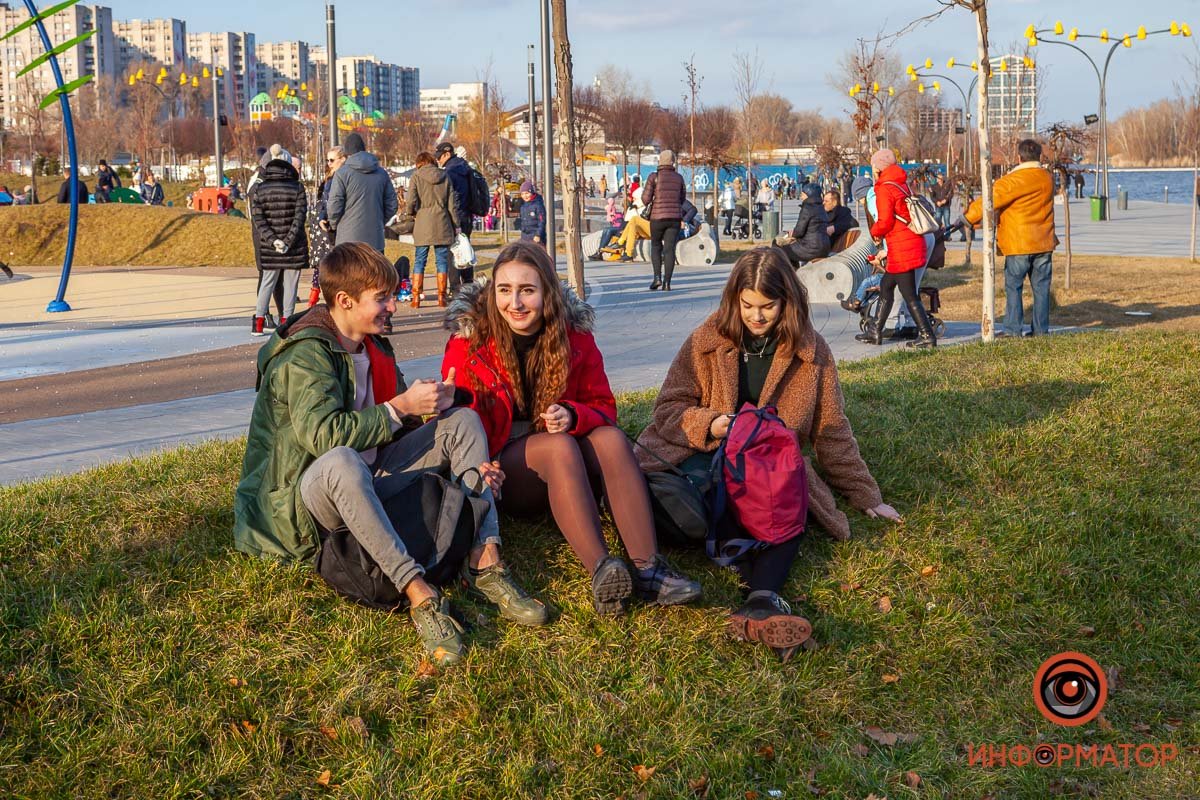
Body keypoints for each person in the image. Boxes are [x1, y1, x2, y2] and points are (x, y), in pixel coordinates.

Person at [234, 243, 543, 668]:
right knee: (343, 459)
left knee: (464, 422)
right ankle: (420, 595)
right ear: (345, 301)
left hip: (373, 470)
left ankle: (486, 558)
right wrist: (401, 407)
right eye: (382, 298)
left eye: (392, 297)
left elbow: (401, 422)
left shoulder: (373, 345)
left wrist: (439, 405)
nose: (393, 307)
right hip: (308, 498)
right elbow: (325, 439)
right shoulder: (306, 355)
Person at [636, 247, 900, 659]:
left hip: (773, 467)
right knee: (699, 511)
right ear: (733, 300)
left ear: (788, 302)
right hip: (709, 458)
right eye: (747, 305)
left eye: (768, 306)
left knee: (786, 498)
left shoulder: (812, 352)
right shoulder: (707, 340)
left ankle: (759, 601)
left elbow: (831, 430)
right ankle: (755, 594)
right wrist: (712, 424)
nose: (756, 316)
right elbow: (667, 409)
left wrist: (867, 495)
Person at [442, 241, 702, 616]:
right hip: (502, 471)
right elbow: (458, 424)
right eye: (504, 290)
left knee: (610, 439)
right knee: (558, 446)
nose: (514, 302)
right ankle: (601, 569)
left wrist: (573, 414)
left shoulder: (573, 336)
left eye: (527, 290)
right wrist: (479, 466)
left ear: (547, 293)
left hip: (568, 466)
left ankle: (648, 569)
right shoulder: (469, 343)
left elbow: (604, 408)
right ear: (491, 292)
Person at [964, 138, 1056, 338]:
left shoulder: (1014, 180)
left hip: (1019, 242)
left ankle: (1013, 329)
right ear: (1039, 156)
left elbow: (991, 198)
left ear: (1019, 157)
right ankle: (1041, 331)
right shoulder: (1047, 177)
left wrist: (967, 217)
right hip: (1044, 241)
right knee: (1041, 289)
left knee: (1014, 287)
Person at [855, 148, 937, 349]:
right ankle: (875, 331)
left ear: (878, 166)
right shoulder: (901, 184)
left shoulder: (883, 188)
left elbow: (884, 220)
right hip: (907, 242)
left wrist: (875, 232)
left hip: (902, 246)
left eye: (874, 164)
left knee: (909, 293)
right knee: (886, 286)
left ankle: (927, 336)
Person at [248, 148, 308, 336]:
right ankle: (287, 321)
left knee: (267, 282)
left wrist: (273, 240)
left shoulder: (260, 188)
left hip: (269, 246)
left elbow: (258, 219)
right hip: (294, 246)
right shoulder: (297, 188)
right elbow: (300, 218)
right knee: (291, 284)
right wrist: (288, 241)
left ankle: (258, 322)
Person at [326, 132, 398, 253]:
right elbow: (392, 204)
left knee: (348, 272)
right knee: (374, 272)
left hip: (347, 239)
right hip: (375, 240)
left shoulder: (342, 174)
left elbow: (334, 205)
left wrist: (334, 225)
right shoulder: (381, 173)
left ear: (347, 152)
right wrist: (379, 220)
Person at [409, 151, 460, 309]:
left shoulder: (416, 176)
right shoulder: (445, 177)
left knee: (419, 261)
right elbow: (452, 204)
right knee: (442, 261)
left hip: (423, 221)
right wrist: (456, 224)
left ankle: (416, 298)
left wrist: (411, 213)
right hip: (442, 222)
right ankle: (441, 298)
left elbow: (411, 200)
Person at [640, 149, 687, 291]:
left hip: (657, 218)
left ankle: (657, 278)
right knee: (669, 249)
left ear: (659, 161)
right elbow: (682, 199)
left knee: (655, 246)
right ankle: (667, 283)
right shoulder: (679, 178)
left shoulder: (654, 177)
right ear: (673, 162)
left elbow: (645, 199)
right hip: (674, 219)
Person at [307, 147, 346, 308]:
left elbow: (333, 202)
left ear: (342, 159)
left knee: (330, 263)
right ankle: (314, 300)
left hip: (331, 224)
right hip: (325, 224)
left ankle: (320, 299)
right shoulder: (331, 178)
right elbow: (327, 201)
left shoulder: (340, 177)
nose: (329, 163)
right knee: (323, 263)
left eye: (332, 160)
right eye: (327, 160)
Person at [435, 141, 475, 292]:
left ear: (447, 154)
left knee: (452, 252)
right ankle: (469, 284)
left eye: (440, 157)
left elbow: (452, 197)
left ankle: (455, 288)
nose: (438, 160)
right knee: (465, 248)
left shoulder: (450, 172)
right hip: (467, 215)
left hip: (454, 216)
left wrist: (452, 218)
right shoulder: (465, 168)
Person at [779, 185, 831, 266]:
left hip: (811, 248)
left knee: (782, 250)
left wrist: (790, 234)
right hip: (824, 248)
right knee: (790, 250)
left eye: (803, 194)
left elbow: (799, 231)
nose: (801, 196)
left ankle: (792, 275)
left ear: (809, 195)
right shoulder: (821, 208)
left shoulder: (807, 208)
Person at [614, 189, 651, 262]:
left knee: (634, 219)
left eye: (635, 198)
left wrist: (635, 209)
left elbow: (644, 217)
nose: (633, 199)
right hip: (648, 229)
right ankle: (628, 253)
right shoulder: (637, 205)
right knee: (632, 225)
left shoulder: (645, 205)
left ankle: (620, 242)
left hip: (655, 229)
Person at [517, 180, 546, 247]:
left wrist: (538, 235)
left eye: (527, 193)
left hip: (535, 236)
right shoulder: (523, 206)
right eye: (522, 194)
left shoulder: (538, 205)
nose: (525, 196)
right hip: (525, 236)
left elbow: (542, 221)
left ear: (532, 193)